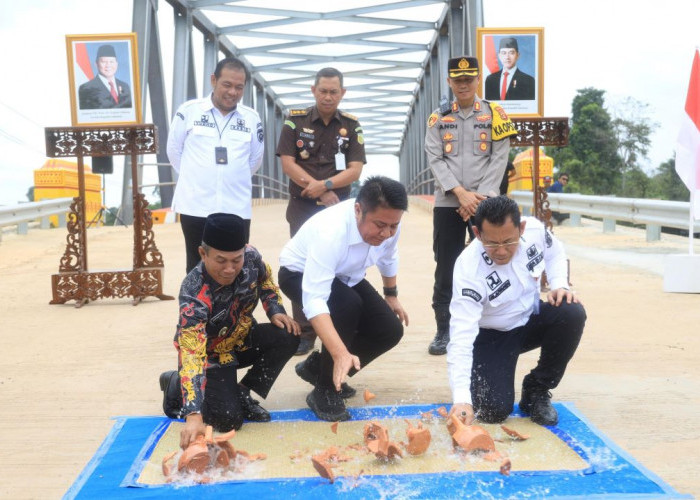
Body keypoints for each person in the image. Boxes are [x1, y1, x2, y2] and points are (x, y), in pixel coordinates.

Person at [159, 213, 300, 450]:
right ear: (203, 254)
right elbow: (192, 352)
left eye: (236, 260)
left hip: (241, 339)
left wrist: (274, 309)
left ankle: (242, 392)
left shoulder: (252, 257)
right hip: (209, 356)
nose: (229, 269)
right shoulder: (194, 291)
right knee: (228, 420)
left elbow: (266, 280)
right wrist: (193, 413)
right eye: (221, 260)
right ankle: (174, 382)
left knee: (289, 333)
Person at [278, 176, 409, 422]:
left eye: (393, 226)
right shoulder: (331, 231)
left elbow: (389, 256)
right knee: (346, 306)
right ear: (358, 209)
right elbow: (315, 300)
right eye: (380, 225)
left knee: (389, 329)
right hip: (299, 273)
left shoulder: (390, 223)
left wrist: (391, 295)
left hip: (347, 275)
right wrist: (340, 353)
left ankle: (316, 367)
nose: (386, 233)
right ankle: (325, 390)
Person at [447, 196, 586, 427]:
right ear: (477, 233)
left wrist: (559, 284)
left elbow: (555, 254)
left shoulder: (534, 231)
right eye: (491, 243)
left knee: (571, 312)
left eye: (509, 242)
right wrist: (461, 399)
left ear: (520, 228)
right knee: (493, 410)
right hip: (492, 335)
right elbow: (461, 335)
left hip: (529, 319)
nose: (501, 251)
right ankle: (481, 378)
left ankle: (536, 389)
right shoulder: (468, 269)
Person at [425, 56, 517, 356]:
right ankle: (444, 329)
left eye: (469, 79)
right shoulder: (438, 117)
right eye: (457, 80)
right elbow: (435, 158)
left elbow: (499, 157)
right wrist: (460, 193)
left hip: (486, 201)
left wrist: (480, 196)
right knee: (446, 263)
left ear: (477, 80)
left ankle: (492, 324)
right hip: (448, 202)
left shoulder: (495, 114)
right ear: (449, 82)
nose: (463, 84)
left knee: (492, 258)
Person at [276, 67, 366, 357]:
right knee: (301, 267)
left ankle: (334, 327)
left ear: (343, 93)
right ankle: (304, 331)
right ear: (314, 90)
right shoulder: (295, 119)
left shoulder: (351, 126)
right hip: (302, 205)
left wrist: (326, 185)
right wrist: (315, 188)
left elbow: (355, 170)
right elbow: (288, 163)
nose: (328, 97)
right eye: (323, 91)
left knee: (336, 266)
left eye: (334, 91)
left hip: (338, 210)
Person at [167, 56, 264, 273]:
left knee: (234, 266)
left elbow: (255, 159)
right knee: (196, 266)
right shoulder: (189, 111)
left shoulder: (251, 118)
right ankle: (197, 308)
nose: (233, 92)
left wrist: (231, 176)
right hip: (195, 205)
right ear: (213, 80)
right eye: (227, 85)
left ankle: (231, 308)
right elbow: (174, 151)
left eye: (239, 87)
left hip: (236, 207)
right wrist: (198, 175)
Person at [78, 44, 132, 109]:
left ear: (116, 64)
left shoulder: (125, 86)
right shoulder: (86, 88)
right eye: (104, 62)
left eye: (111, 62)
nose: (108, 65)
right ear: (96, 64)